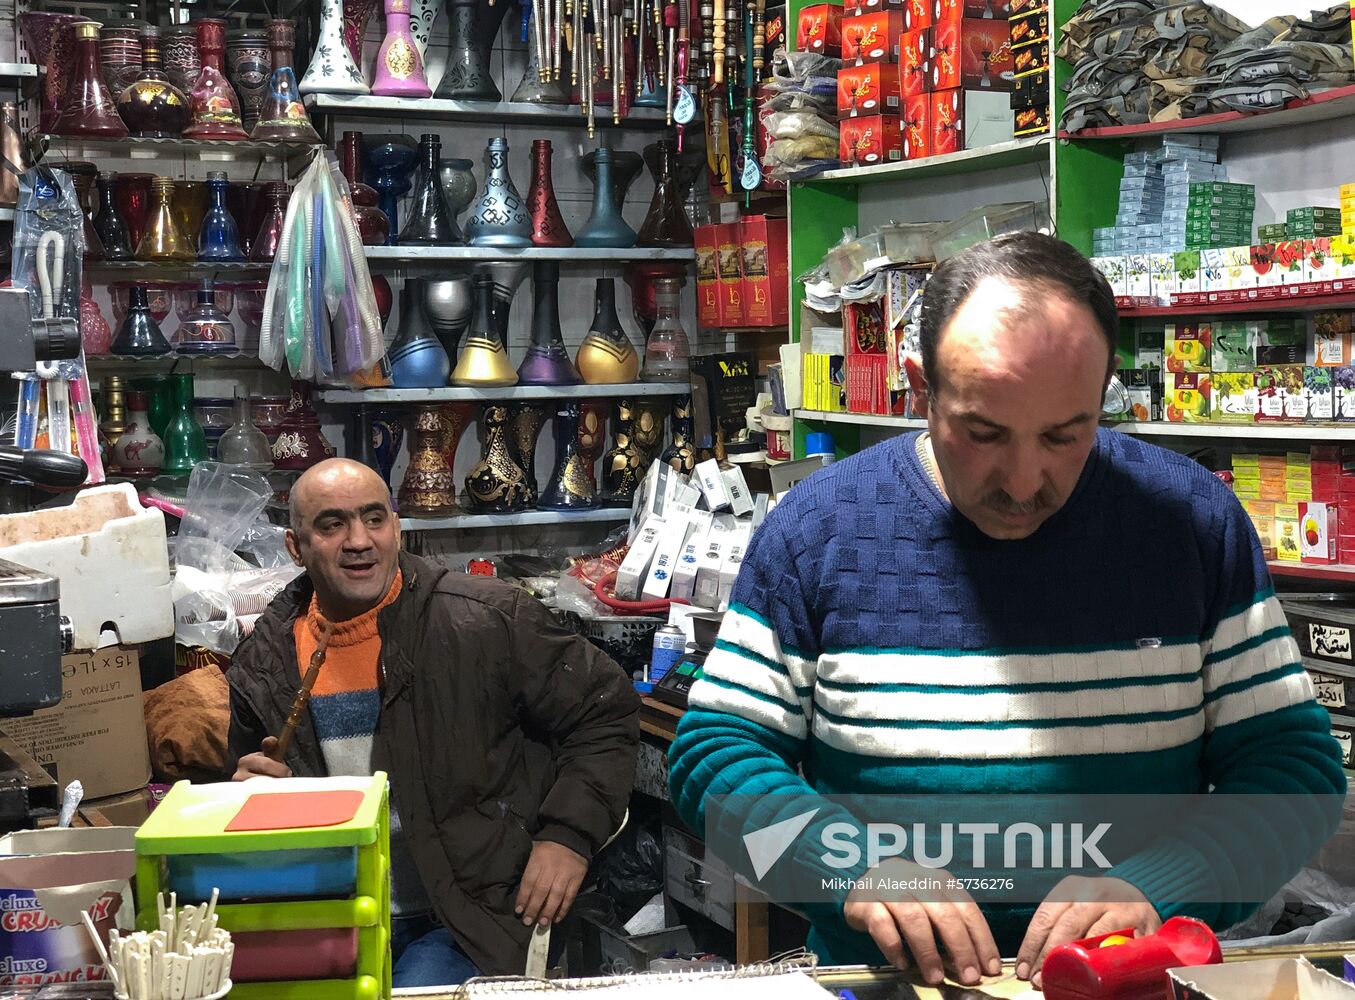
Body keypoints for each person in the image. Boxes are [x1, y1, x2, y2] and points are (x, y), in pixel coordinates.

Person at [667, 233, 1346, 988]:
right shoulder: (816, 530)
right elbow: (712, 763)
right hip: (890, 984)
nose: (1025, 483)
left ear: (1105, 393)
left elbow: (1296, 779)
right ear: (918, 388)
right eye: (982, 433)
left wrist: (1159, 883)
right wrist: (847, 869)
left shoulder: (1192, 524)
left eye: (1065, 434)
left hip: (1125, 983)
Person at [228, 458, 640, 986]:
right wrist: (245, 801)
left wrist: (567, 835)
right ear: (295, 547)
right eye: (332, 525)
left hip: (471, 915)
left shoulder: (485, 619)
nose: (359, 540)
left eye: (374, 519)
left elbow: (604, 711)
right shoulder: (265, 660)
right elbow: (240, 801)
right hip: (333, 915)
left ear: (397, 527)